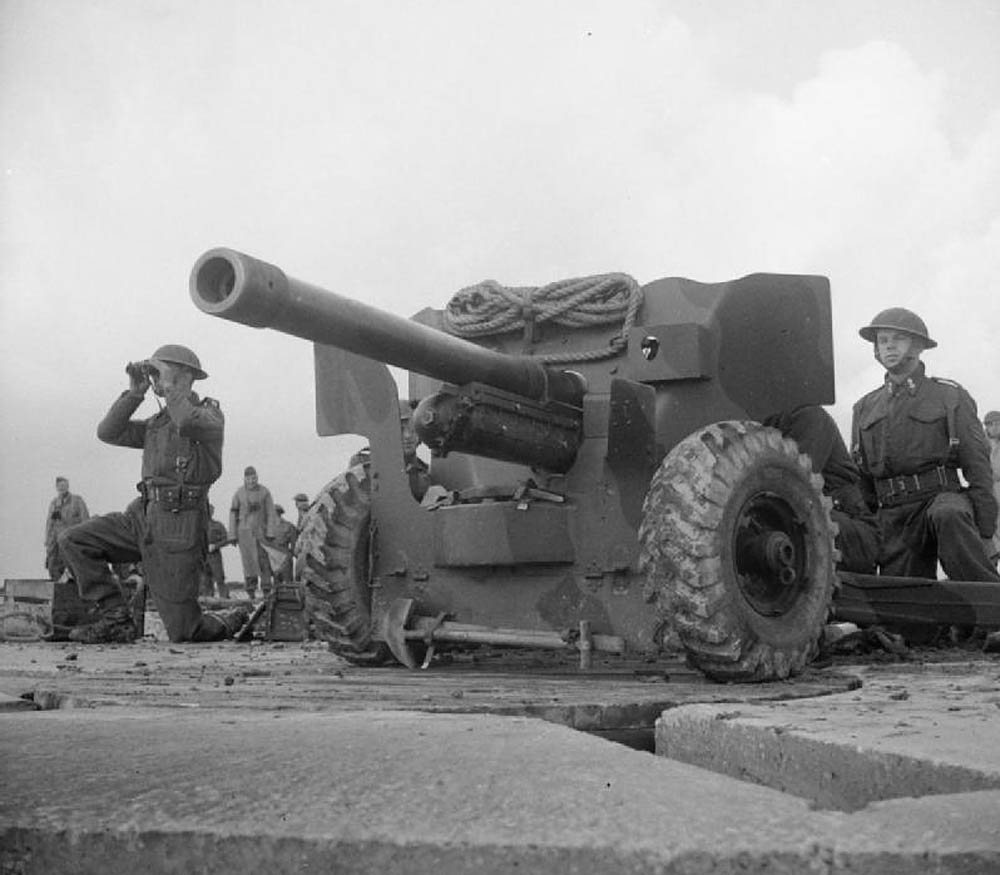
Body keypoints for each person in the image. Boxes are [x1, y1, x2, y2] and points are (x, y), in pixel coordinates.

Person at [57, 345, 248, 643]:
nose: (157, 380)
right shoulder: (156, 425)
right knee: (74, 539)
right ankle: (115, 618)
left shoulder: (209, 415)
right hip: (142, 517)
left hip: (180, 526)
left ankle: (229, 620)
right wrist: (135, 393)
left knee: (185, 631)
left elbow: (187, 422)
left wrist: (170, 386)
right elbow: (108, 432)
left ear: (187, 377)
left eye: (163, 372)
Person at [851, 308, 1000, 582]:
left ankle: (989, 610)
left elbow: (977, 466)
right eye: (883, 341)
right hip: (894, 516)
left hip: (939, 499)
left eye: (898, 339)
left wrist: (986, 530)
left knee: (949, 514)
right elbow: (862, 480)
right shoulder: (864, 408)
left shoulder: (948, 396)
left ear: (917, 346)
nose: (889, 346)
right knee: (909, 615)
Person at [763, 406, 880, 573]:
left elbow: (794, 486)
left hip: (853, 532)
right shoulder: (763, 428)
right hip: (825, 521)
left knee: (785, 520)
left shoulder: (809, 417)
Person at [229, 466, 278, 601]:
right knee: (248, 563)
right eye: (249, 478)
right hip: (244, 534)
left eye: (254, 478)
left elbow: (271, 513)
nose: (252, 481)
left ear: (257, 477)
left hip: (261, 533)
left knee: (263, 561)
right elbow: (233, 513)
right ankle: (251, 591)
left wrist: (270, 532)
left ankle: (266, 589)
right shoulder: (239, 493)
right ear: (245, 479)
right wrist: (232, 534)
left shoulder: (264, 492)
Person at [44, 477, 89, 581]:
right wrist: (47, 539)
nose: (62, 488)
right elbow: (50, 524)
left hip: (72, 538)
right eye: (60, 486)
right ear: (57, 488)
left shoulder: (77, 501)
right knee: (53, 562)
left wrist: (85, 538)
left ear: (68, 486)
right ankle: (57, 583)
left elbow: (85, 519)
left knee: (73, 562)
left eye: (64, 485)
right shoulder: (54, 504)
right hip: (57, 539)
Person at [201, 504, 231, 599]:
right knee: (205, 579)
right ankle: (208, 598)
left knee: (219, 577)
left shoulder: (218, 525)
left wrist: (216, 546)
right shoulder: (198, 526)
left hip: (214, 555)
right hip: (202, 555)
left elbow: (226, 539)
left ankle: (224, 597)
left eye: (210, 511)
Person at [269, 504, 298, 584]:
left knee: (287, 580)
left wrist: (291, 555)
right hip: (272, 556)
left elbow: (294, 544)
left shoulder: (289, 526)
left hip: (285, 555)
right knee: (276, 582)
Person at [985, 410, 1000, 562]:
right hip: (989, 493)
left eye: (996, 423)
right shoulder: (984, 444)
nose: (993, 427)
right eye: (989, 424)